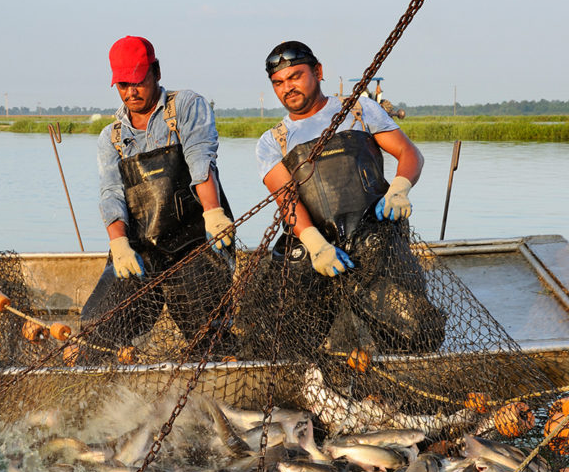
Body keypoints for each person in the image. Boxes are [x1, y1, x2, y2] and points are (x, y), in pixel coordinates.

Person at [255, 41, 444, 355]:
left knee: (416, 335)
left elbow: (409, 153)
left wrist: (399, 188)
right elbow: (287, 201)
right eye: (279, 83)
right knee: (283, 343)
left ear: (318, 72)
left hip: (378, 246)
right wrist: (316, 245)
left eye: (296, 76)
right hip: (319, 256)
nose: (288, 87)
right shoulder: (273, 141)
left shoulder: (358, 110)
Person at [80, 36, 237, 361]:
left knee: (207, 331)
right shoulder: (111, 138)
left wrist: (212, 212)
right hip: (144, 251)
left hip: (196, 244)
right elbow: (111, 195)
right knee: (96, 323)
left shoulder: (185, 106)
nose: (131, 92)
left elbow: (200, 160)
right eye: (123, 84)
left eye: (138, 82)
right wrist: (119, 245)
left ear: (157, 71)